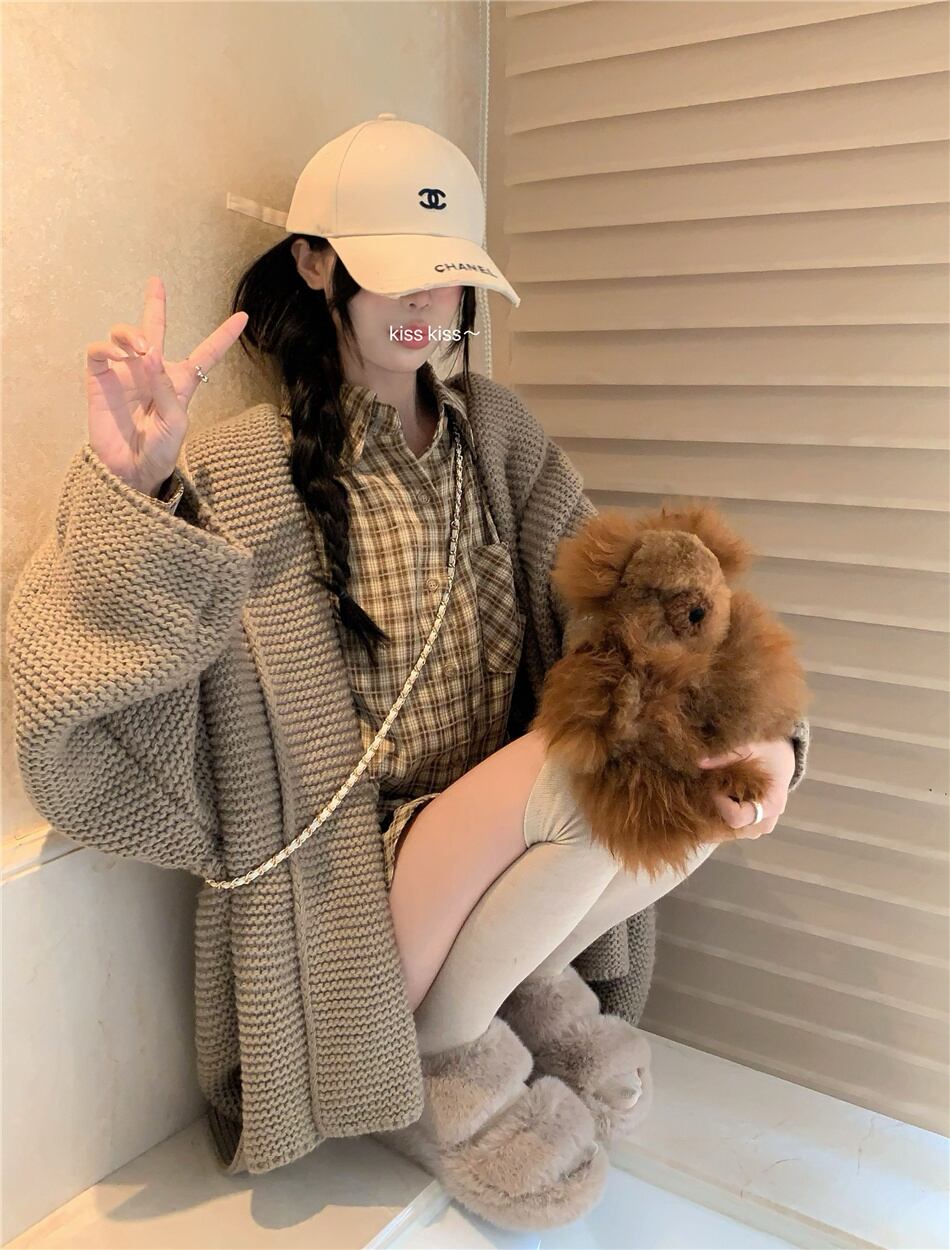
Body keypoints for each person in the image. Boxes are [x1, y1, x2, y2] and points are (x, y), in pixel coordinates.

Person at [7, 115, 808, 1231]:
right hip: (350, 887)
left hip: (490, 846)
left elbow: (629, 608)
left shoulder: (496, 434)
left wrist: (754, 728)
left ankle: (507, 996)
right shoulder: (244, 466)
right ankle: (434, 1051)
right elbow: (71, 705)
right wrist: (135, 493)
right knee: (582, 769)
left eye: (447, 273)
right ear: (315, 263)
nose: (426, 303)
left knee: (704, 781)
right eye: (394, 271)